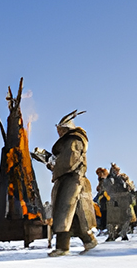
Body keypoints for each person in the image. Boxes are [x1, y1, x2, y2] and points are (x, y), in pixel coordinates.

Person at [32, 110, 98, 257]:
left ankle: (62, 247)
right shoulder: (69, 142)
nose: (58, 133)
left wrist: (50, 160)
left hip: (72, 181)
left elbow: (68, 162)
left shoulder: (73, 140)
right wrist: (47, 159)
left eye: (60, 130)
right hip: (68, 180)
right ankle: (88, 241)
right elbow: (62, 163)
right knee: (73, 216)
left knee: (64, 213)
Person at [102, 164, 135, 242]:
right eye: (116, 170)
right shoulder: (109, 179)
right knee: (112, 220)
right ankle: (112, 235)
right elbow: (106, 189)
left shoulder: (123, 178)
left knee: (127, 217)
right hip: (114, 201)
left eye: (118, 170)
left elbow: (129, 188)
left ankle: (122, 233)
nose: (117, 172)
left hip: (124, 200)